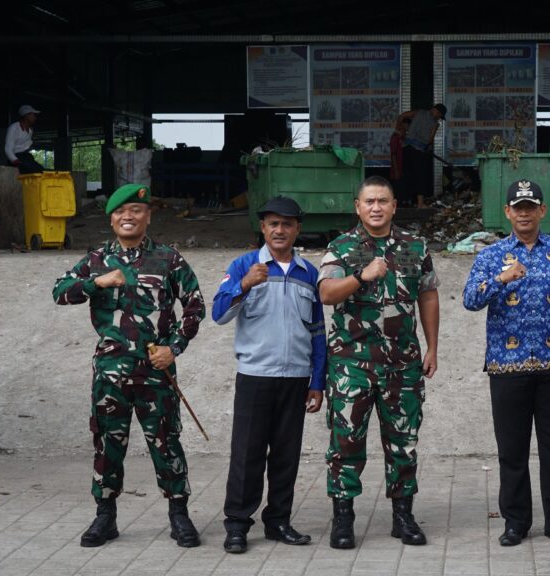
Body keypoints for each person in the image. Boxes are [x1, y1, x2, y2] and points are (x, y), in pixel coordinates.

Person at [52, 183, 206, 548]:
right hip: (110, 372)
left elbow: (195, 306)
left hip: (156, 372)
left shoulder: (169, 259)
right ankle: (105, 517)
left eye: (136, 211)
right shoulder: (95, 260)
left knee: (166, 443)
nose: (128, 217)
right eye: (121, 212)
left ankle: (179, 515)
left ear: (147, 216)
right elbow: (59, 292)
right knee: (108, 444)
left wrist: (175, 348)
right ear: (111, 219)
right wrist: (97, 282)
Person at [462, 179, 550, 547]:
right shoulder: (490, 256)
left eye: (530, 206)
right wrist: (500, 279)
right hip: (507, 367)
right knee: (512, 452)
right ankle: (515, 522)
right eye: (517, 207)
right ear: (507, 212)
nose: (524, 213)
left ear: (542, 211)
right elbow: (470, 300)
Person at [318, 175, 439, 549]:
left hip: (402, 364)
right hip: (352, 364)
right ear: (358, 206)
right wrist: (360, 275)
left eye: (382, 201)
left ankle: (402, 515)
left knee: (403, 441)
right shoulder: (340, 247)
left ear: (394, 205)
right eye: (369, 201)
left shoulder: (415, 247)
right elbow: (325, 293)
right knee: (346, 442)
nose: (375, 207)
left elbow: (428, 295)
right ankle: (343, 518)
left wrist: (432, 347)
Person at [212, 196, 327, 554]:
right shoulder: (244, 265)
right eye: (273, 224)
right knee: (247, 454)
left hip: (295, 377)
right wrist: (244, 285)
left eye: (287, 224)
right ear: (262, 228)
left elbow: (318, 331)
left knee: (286, 455)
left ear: (297, 230)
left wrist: (317, 381)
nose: (280, 230)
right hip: (255, 375)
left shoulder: (309, 273)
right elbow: (218, 313)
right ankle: (237, 525)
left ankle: (278, 521)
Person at [397, 103, 447, 207]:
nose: (439, 118)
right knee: (420, 176)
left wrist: (399, 130)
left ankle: (404, 202)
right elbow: (430, 140)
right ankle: (420, 203)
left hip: (407, 148)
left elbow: (402, 116)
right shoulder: (435, 124)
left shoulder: (418, 113)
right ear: (436, 111)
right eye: (439, 116)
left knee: (407, 176)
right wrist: (428, 147)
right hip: (419, 151)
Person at [5, 104, 44, 174]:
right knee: (33, 170)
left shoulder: (30, 130)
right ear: (26, 115)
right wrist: (15, 161)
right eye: (33, 115)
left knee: (41, 170)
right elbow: (8, 148)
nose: (35, 118)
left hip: (26, 157)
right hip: (17, 157)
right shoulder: (14, 128)